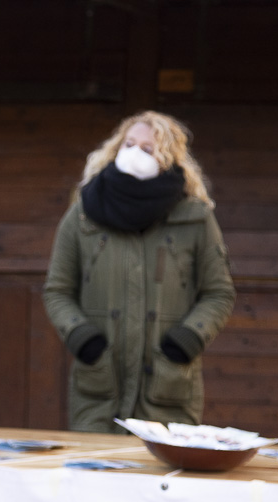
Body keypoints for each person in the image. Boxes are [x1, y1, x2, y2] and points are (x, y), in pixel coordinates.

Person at [43, 110, 236, 434]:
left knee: (163, 479)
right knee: (96, 479)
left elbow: (218, 292)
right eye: (128, 144)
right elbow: (57, 290)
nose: (134, 153)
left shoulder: (195, 217)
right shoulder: (83, 213)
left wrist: (188, 338)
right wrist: (81, 336)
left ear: (167, 158)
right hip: (100, 388)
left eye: (147, 148)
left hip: (168, 388)